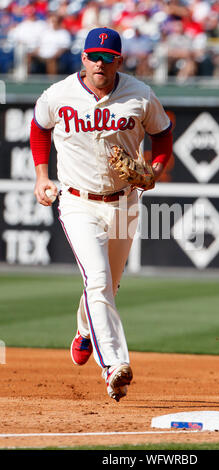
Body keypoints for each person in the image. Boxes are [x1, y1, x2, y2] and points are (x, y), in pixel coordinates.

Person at [30, 27, 173, 402]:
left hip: (125, 202)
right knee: (98, 281)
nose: (100, 62)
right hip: (78, 201)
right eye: (94, 55)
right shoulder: (58, 94)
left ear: (119, 61)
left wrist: (155, 169)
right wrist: (42, 176)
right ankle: (115, 366)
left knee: (109, 283)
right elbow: (39, 127)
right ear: (83, 57)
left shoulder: (140, 95)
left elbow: (163, 133)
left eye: (108, 57)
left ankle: (85, 330)